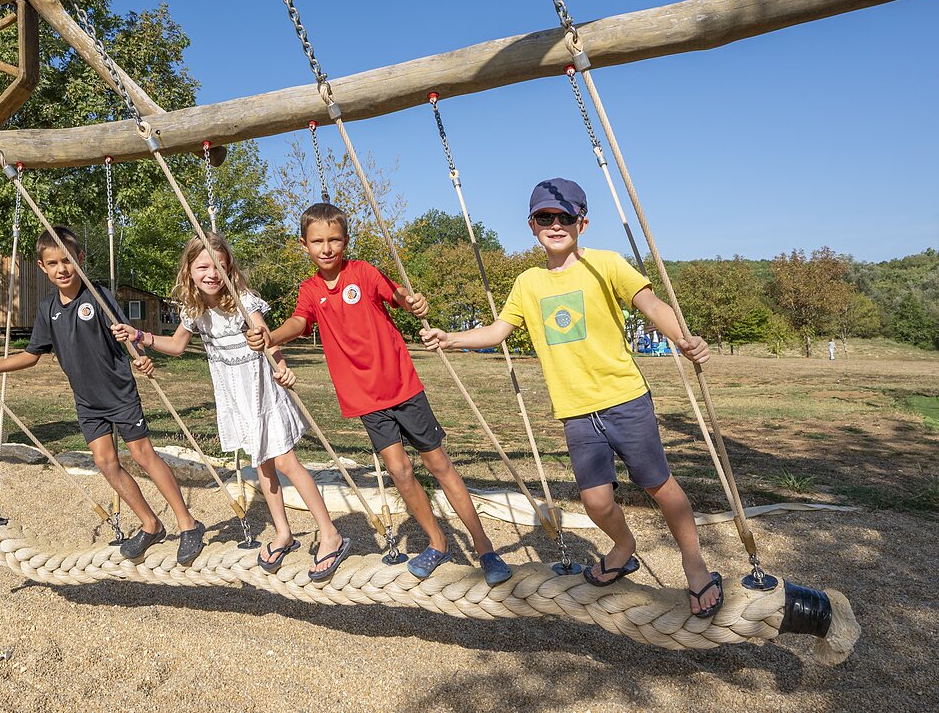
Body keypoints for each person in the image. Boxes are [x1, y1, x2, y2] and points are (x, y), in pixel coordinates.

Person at [421, 179, 723, 618]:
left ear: (583, 222)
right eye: (546, 217)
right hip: (576, 411)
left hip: (624, 397)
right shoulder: (528, 283)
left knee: (659, 484)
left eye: (565, 217)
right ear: (532, 226)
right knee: (596, 501)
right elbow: (497, 331)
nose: (556, 224)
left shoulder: (605, 263)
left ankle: (695, 567)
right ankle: (624, 547)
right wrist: (450, 338)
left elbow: (652, 304)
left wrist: (682, 337)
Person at [246, 202, 511, 585]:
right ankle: (438, 542)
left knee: (439, 465)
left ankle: (484, 547)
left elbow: (399, 295)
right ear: (303, 245)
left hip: (402, 386)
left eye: (334, 240)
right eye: (317, 241)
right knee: (401, 473)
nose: (326, 248)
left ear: (346, 241)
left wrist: (412, 301)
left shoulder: (363, 272)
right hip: (367, 400)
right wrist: (270, 336)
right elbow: (300, 321)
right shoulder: (310, 290)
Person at [110, 234, 351, 580]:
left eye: (218, 267)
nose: (211, 274)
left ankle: (330, 533)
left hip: (261, 392)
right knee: (263, 465)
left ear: (229, 268)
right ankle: (283, 533)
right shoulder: (195, 311)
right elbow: (177, 345)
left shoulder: (243, 300)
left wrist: (280, 364)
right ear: (190, 270)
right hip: (235, 397)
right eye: (203, 267)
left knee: (285, 461)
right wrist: (140, 337)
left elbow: (264, 335)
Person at [0, 226, 204, 565]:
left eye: (68, 260)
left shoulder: (98, 297)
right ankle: (151, 525)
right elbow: (31, 355)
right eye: (53, 263)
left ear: (80, 260)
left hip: (118, 392)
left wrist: (141, 357)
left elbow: (126, 334)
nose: (62, 269)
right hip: (87, 400)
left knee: (144, 455)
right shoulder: (48, 309)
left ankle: (189, 524)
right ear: (42, 267)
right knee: (106, 463)